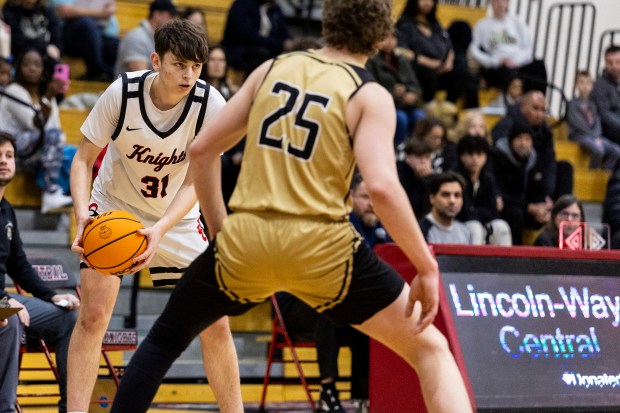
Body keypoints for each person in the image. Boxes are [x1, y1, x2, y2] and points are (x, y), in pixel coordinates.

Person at [109, 1, 473, 412]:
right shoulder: (370, 93)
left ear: (327, 22)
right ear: (380, 38)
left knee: (163, 339)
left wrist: (220, 232)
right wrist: (425, 265)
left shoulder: (271, 69)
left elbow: (202, 150)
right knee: (431, 351)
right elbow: (384, 189)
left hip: (247, 241)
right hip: (323, 248)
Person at [67, 19, 242, 413]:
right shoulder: (122, 93)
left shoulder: (210, 104)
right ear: (155, 60)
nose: (189, 75)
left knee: (216, 322)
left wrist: (161, 228)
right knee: (94, 315)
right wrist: (82, 215)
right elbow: (82, 160)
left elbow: (200, 179)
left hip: (176, 216)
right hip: (115, 205)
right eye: (180, 64)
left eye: (196, 66)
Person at [0, 131, 80, 413]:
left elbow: (19, 264)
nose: (4, 161)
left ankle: (70, 407)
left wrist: (52, 296)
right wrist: (4, 300)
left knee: (69, 318)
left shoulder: (6, 210)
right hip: (0, 304)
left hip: (3, 301)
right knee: (8, 321)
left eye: (9, 156)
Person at [0, 46, 73, 213]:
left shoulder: (46, 95)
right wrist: (49, 96)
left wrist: (48, 96)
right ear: (18, 68)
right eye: (26, 64)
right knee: (54, 137)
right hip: (10, 151)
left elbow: (55, 128)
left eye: (37, 64)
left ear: (43, 69)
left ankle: (57, 190)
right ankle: (50, 191)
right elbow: (35, 124)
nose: (32, 68)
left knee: (72, 152)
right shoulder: (13, 91)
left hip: (34, 154)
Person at [491, 90, 573, 200]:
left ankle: (561, 207)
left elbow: (550, 161)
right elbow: (499, 156)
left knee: (564, 167)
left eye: (543, 110)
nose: (539, 114)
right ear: (523, 107)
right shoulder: (506, 124)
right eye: (535, 108)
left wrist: (547, 194)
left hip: (535, 174)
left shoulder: (545, 131)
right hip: (512, 174)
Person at [469, 0, 547, 93]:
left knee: (539, 66)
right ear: (491, 3)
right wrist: (495, 61)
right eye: (497, 2)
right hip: (497, 66)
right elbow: (473, 49)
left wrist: (515, 62)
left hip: (518, 64)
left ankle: (538, 100)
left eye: (504, 1)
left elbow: (528, 48)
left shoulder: (518, 22)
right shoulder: (482, 25)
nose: (501, 4)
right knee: (507, 74)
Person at [493, 121, 550, 244]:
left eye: (527, 139)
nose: (523, 143)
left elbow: (539, 190)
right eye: (519, 138)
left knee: (549, 217)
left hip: (526, 208)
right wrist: (528, 207)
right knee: (516, 214)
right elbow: (500, 193)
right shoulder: (498, 157)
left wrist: (542, 208)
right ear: (511, 140)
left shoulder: (535, 160)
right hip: (505, 208)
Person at [365, 30, 424, 149]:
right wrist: (393, 92)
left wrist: (410, 92)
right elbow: (370, 86)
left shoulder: (402, 61)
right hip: (386, 106)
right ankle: (397, 150)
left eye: (393, 38)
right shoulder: (372, 61)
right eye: (386, 38)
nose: (390, 42)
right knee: (401, 118)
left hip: (407, 104)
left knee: (420, 116)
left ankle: (418, 150)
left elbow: (415, 85)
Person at [395, 0, 459, 104]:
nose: (428, 3)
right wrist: (430, 63)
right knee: (429, 74)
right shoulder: (404, 24)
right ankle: (427, 109)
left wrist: (449, 61)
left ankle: (450, 108)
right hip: (417, 67)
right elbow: (402, 51)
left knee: (460, 72)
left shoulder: (434, 23)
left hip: (440, 67)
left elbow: (448, 43)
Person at [455, 135, 512, 245]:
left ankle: (506, 262)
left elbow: (493, 212)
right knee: (475, 227)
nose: (475, 159)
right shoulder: (455, 178)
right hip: (459, 224)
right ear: (462, 157)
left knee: (501, 226)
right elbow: (463, 213)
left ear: (485, 157)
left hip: (482, 223)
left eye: (479, 154)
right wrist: (479, 212)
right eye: (470, 154)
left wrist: (473, 210)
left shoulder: (487, 179)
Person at [50, 0, 119, 81]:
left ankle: (110, 76)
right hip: (67, 34)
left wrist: (109, 11)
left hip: (97, 33)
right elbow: (63, 11)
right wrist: (99, 13)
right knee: (88, 26)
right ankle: (97, 72)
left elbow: (111, 31)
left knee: (117, 45)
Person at [221, 0, 293, 77]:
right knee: (261, 54)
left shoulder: (275, 8)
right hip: (238, 48)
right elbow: (247, 35)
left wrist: (289, 42)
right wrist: (280, 44)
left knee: (290, 56)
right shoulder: (242, 4)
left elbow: (284, 31)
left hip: (268, 48)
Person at [568, 70, 620, 169]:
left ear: (592, 86)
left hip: (594, 136)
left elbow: (597, 122)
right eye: (581, 82)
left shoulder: (592, 104)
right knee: (598, 150)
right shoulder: (572, 104)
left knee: (617, 151)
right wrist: (594, 137)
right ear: (576, 85)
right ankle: (592, 174)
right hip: (579, 135)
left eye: (588, 83)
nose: (585, 86)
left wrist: (597, 136)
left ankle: (603, 175)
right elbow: (578, 124)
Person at [113, 0, 177, 77]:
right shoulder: (136, 37)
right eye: (171, 16)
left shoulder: (160, 38)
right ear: (157, 14)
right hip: (130, 88)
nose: (174, 20)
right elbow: (143, 77)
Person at [418, 171, 473, 244]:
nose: (452, 201)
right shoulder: (420, 231)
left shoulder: (465, 232)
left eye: (457, 195)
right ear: (432, 198)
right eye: (446, 195)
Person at [397, 138, 434, 217]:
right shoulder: (399, 173)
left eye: (427, 157)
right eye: (419, 156)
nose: (423, 161)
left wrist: (427, 179)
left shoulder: (432, 177)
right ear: (407, 157)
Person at [591, 45, 620, 144]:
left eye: (618, 62)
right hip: (607, 130)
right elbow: (604, 114)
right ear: (605, 63)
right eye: (610, 62)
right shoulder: (600, 85)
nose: (614, 66)